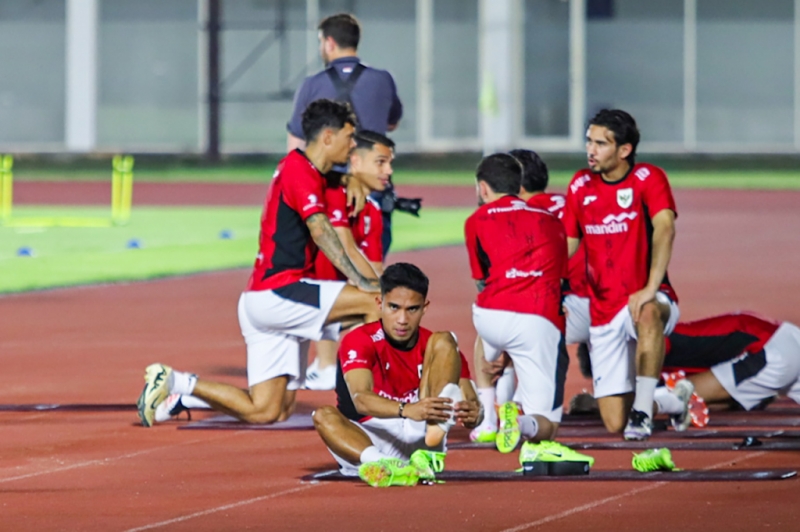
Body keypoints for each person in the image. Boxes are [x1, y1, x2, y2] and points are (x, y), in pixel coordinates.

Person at [136, 99, 383, 427]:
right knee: (374, 303)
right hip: (279, 293)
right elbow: (320, 230)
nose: (352, 145)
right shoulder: (299, 170)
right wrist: (361, 280)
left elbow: (335, 183)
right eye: (348, 137)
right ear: (327, 136)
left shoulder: (308, 171)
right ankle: (377, 410)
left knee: (268, 411)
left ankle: (175, 382)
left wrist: (352, 179)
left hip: (263, 301)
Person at [562, 109, 689, 440]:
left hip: (648, 295)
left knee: (647, 312)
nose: (590, 150)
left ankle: (643, 412)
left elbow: (665, 228)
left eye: (600, 143)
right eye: (589, 141)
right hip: (603, 308)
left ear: (624, 150)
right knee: (614, 422)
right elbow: (568, 243)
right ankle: (673, 400)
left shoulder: (648, 178)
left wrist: (650, 287)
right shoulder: (580, 184)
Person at [465, 153, 594, 469]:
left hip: (490, 316)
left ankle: (488, 418)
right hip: (537, 318)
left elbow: (482, 279)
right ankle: (520, 421)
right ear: (518, 185)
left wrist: (502, 344)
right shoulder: (552, 221)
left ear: (483, 188)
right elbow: (557, 281)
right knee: (547, 425)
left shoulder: (475, 220)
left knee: (486, 333)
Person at [312, 263, 481, 487]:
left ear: (424, 308)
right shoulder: (359, 340)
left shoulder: (440, 348)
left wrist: (474, 414)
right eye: (394, 307)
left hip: (420, 431)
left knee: (445, 338)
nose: (402, 319)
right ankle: (386, 464)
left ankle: (430, 451)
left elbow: (473, 404)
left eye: (412, 309)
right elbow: (361, 399)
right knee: (322, 415)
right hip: (368, 439)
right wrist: (407, 409)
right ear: (379, 304)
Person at [286, 13, 403, 257]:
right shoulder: (383, 80)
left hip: (328, 193)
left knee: (328, 267)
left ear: (329, 43)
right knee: (373, 265)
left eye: (321, 42)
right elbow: (393, 122)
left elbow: (295, 146)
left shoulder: (311, 84)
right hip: (373, 188)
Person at [305, 131, 394, 390]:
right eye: (381, 162)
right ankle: (329, 366)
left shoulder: (373, 211)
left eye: (390, 163)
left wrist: (393, 296)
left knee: (267, 404)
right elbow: (345, 247)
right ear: (355, 162)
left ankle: (372, 371)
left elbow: (375, 267)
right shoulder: (334, 194)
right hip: (297, 293)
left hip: (329, 299)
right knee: (379, 302)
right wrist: (384, 295)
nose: (388, 171)